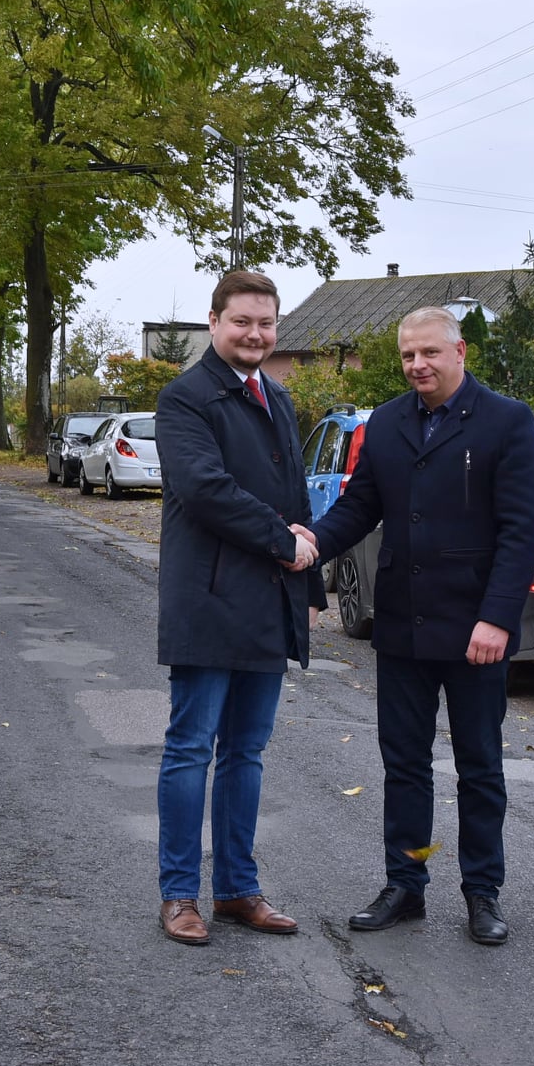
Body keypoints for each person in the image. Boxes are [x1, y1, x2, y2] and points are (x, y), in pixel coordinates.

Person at [296, 307, 534, 945]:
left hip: (475, 633)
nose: (418, 366)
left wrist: (497, 618)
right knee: (404, 765)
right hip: (403, 626)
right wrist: (310, 546)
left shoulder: (507, 421)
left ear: (460, 350)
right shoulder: (385, 422)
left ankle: (482, 892)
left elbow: (520, 535)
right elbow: (359, 506)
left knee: (479, 767)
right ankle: (405, 885)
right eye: (409, 356)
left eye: (430, 353)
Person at [153, 270, 324, 946]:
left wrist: (307, 588)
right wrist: (283, 542)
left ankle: (237, 890)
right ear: (214, 322)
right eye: (242, 321)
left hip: (268, 603)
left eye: (266, 323)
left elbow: (296, 497)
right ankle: (178, 896)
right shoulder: (185, 399)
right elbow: (205, 489)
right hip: (208, 602)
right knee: (191, 750)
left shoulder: (277, 397)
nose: (255, 334)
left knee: (247, 754)